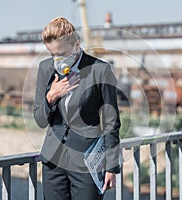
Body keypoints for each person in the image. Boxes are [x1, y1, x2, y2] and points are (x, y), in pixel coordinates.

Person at [33, 17, 121, 200]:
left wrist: (112, 167)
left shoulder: (100, 70)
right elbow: (40, 120)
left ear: (77, 44)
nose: (57, 60)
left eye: (62, 53)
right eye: (52, 54)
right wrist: (51, 96)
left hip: (87, 162)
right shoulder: (45, 69)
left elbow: (111, 122)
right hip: (53, 160)